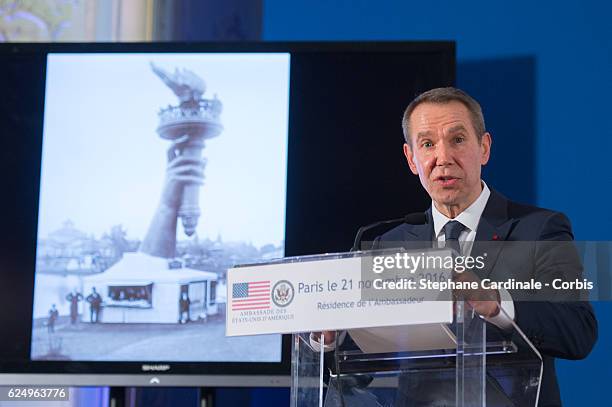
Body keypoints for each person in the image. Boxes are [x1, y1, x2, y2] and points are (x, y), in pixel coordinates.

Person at [315, 87, 598, 407]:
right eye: (427, 144)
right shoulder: (386, 244)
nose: (443, 158)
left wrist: (497, 303)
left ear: (485, 148)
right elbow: (351, 370)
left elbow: (578, 330)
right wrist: (329, 340)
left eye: (458, 140)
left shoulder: (539, 229)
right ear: (411, 159)